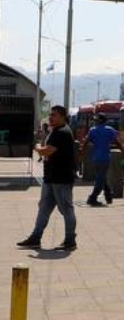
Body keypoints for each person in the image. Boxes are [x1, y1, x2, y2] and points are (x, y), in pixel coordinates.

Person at [18, 106, 77, 251]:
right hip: (50, 178)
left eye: (54, 115)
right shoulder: (55, 131)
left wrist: (37, 147)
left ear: (62, 117)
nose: (50, 117)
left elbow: (47, 151)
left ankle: (70, 240)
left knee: (66, 210)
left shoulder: (62, 132)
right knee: (43, 209)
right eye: (50, 115)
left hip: (61, 179)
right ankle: (35, 238)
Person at [81, 113, 123, 206]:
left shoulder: (92, 130)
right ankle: (93, 198)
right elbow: (117, 141)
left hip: (95, 158)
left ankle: (108, 195)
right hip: (105, 158)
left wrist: (82, 154)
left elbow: (86, 142)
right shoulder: (109, 130)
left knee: (101, 177)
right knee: (100, 178)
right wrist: (123, 152)